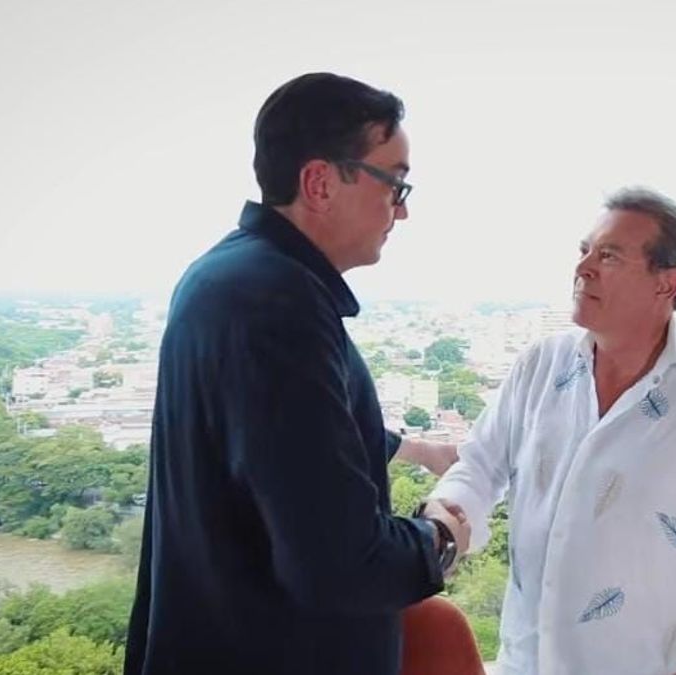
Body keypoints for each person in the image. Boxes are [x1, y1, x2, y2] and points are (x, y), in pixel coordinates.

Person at [124, 72, 468, 675]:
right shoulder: (280, 307)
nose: (402, 210)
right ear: (320, 183)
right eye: (395, 184)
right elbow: (340, 564)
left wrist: (414, 450)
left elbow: (282, 440)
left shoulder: (225, 276)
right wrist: (437, 539)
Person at [427, 187, 676, 675]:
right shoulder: (540, 365)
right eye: (584, 251)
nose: (583, 268)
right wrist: (445, 520)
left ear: (667, 283)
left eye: (609, 256)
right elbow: (480, 467)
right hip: (525, 663)